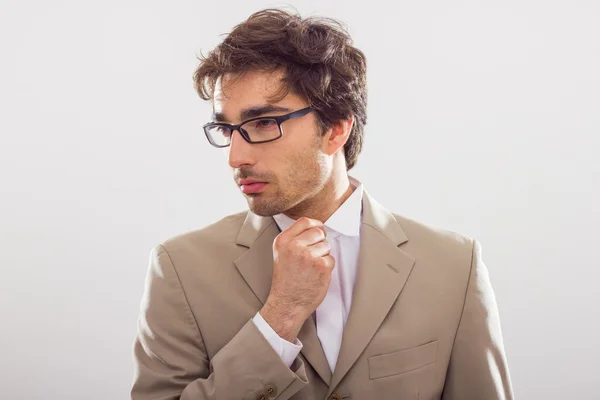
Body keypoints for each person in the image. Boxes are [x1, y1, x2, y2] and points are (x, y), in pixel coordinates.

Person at [131, 8, 513, 400]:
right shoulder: (178, 269)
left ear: (336, 127)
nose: (236, 157)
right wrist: (278, 318)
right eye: (226, 129)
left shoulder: (454, 265)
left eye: (263, 123)